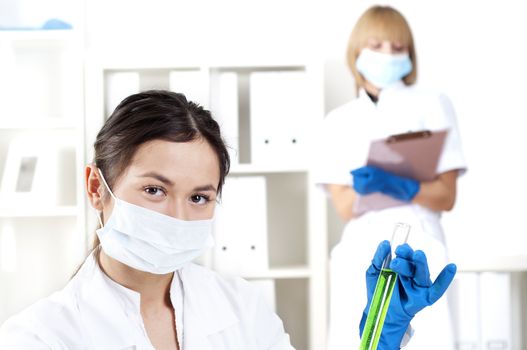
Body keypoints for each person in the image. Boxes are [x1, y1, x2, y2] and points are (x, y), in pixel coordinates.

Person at [0, 90, 456, 349]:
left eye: (200, 197)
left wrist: (381, 334)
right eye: (155, 190)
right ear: (97, 188)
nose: (178, 216)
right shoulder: (39, 337)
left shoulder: (241, 308)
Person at [314, 5, 466, 350]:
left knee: (429, 337)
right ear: (357, 52)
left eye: (398, 48)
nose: (388, 55)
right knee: (357, 339)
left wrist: (399, 184)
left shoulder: (433, 104)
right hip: (361, 249)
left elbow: (446, 196)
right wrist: (387, 184)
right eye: (378, 46)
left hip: (422, 243)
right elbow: (344, 205)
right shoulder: (338, 121)